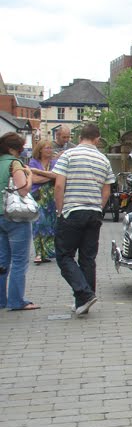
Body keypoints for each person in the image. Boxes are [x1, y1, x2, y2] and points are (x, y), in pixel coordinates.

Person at [53, 123, 115, 316]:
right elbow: (107, 189)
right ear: (97, 138)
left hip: (72, 211)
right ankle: (83, 301)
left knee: (64, 256)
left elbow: (59, 185)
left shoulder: (68, 156)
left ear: (80, 137)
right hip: (94, 212)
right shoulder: (103, 159)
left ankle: (84, 294)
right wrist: (99, 207)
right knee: (88, 258)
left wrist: (59, 209)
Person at [0, 132, 38, 310]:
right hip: (14, 216)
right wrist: (29, 175)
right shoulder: (14, 164)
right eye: (20, 147)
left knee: (2, 260)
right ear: (13, 149)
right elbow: (23, 189)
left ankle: (1, 299)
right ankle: (16, 301)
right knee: (19, 260)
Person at [28, 140, 60, 264]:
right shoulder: (33, 162)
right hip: (38, 197)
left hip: (51, 199)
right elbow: (34, 179)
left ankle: (47, 252)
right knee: (38, 224)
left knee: (50, 224)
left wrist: (39, 172)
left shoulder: (54, 162)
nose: (49, 150)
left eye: (50, 148)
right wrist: (49, 176)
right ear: (40, 150)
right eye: (46, 148)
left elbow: (57, 176)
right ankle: (38, 253)